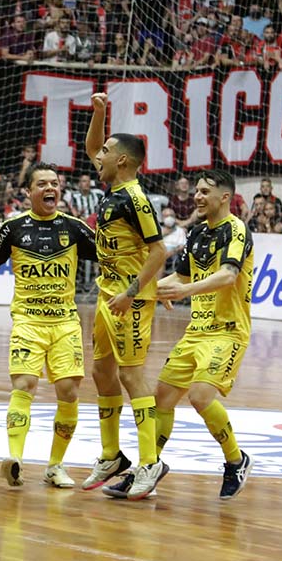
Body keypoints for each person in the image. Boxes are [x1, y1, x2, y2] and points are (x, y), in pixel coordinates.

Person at [0, 162, 97, 488]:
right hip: (28, 321)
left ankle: (55, 465)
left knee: (69, 392)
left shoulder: (75, 227)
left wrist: (148, 288)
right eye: (42, 184)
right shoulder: (12, 228)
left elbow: (112, 261)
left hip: (66, 323)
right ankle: (14, 458)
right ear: (28, 192)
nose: (50, 188)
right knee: (24, 385)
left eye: (54, 183)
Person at [145, 169, 254, 500]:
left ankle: (236, 460)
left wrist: (181, 292)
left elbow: (227, 276)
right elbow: (177, 279)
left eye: (205, 191)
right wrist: (137, 291)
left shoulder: (236, 230)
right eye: (196, 190)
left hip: (227, 331)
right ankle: (150, 464)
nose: (197, 196)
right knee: (162, 397)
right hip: (197, 331)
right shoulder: (195, 234)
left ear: (225, 197)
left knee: (200, 397)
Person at [82, 92, 169, 501]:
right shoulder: (113, 186)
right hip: (105, 294)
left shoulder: (136, 199)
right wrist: (99, 113)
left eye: (107, 151)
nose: (97, 156)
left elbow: (159, 251)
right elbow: (90, 147)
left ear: (124, 161)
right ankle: (111, 455)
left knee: (132, 376)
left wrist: (131, 292)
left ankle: (149, 462)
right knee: (101, 371)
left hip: (129, 300)